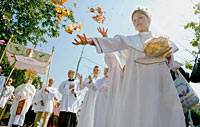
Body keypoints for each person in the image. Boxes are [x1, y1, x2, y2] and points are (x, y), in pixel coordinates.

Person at [72, 8, 186, 127]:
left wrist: (167, 55)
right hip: (139, 85)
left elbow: (170, 60)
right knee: (141, 112)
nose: (137, 21)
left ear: (149, 19)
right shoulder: (130, 41)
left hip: (159, 81)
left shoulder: (162, 40)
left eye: (140, 17)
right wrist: (90, 41)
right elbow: (112, 43)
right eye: (134, 20)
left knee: (162, 111)